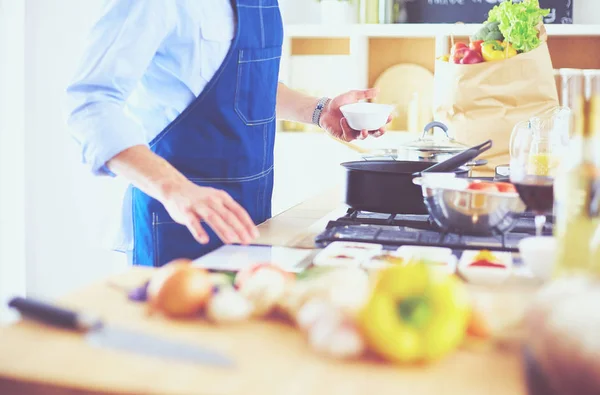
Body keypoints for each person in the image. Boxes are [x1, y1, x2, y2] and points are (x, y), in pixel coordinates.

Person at [64, 0, 388, 267]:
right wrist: (175, 188)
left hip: (251, 220)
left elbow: (245, 84)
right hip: (175, 225)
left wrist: (318, 110)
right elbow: (90, 102)